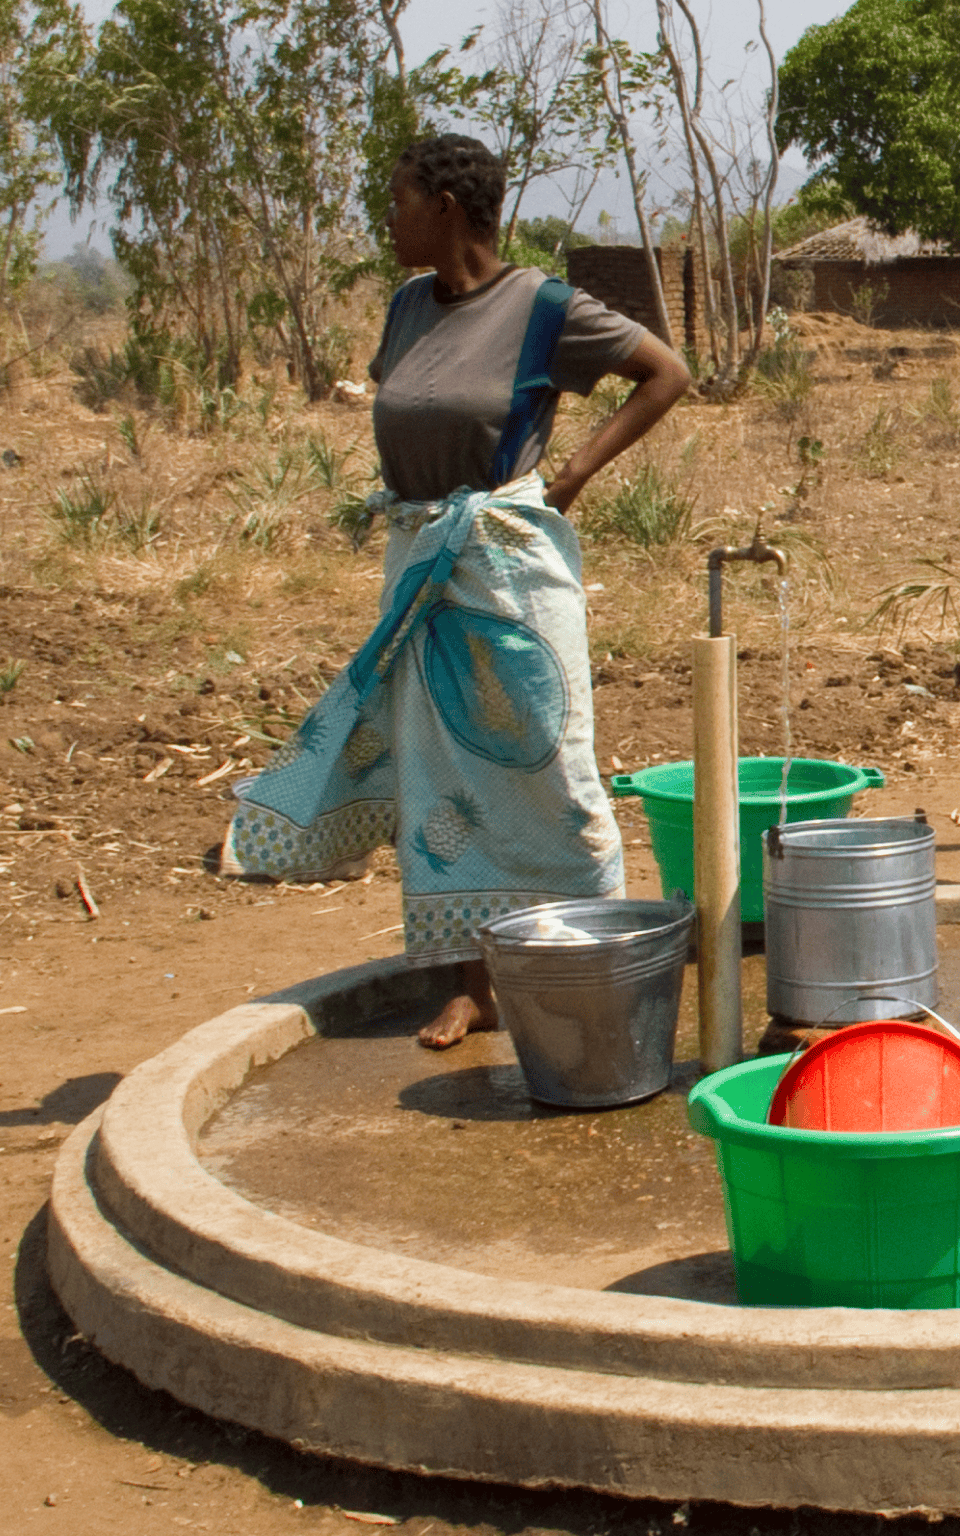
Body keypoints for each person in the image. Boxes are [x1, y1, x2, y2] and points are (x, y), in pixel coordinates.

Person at [220, 134, 690, 1049]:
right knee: (439, 775)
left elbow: (665, 374)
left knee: (547, 767)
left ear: (446, 206)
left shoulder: (542, 306)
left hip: (508, 564)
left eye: (397, 200)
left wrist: (572, 476)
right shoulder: (406, 307)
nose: (386, 217)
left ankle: (593, 959)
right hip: (420, 561)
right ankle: (475, 983)